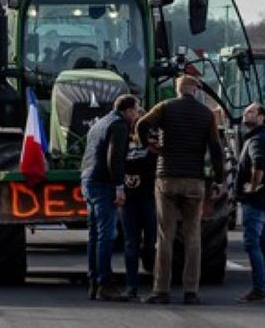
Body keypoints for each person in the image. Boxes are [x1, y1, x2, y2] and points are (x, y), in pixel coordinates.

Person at [134, 74, 225, 304]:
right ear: (195, 90)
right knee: (193, 236)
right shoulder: (206, 114)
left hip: (167, 177)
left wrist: (150, 145)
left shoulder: (165, 107)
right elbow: (215, 148)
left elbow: (142, 124)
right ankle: (191, 291)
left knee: (165, 236)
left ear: (178, 89)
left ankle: (161, 290)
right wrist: (219, 179)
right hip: (194, 180)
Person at [80, 94, 140, 301]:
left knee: (94, 234)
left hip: (88, 179)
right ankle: (105, 283)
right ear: (129, 110)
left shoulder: (100, 123)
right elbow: (114, 158)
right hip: (103, 183)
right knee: (107, 234)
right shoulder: (119, 125)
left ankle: (93, 281)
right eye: (137, 110)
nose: (138, 115)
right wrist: (119, 187)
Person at [236, 102, 265, 303]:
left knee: (252, 244)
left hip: (256, 201)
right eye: (245, 112)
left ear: (262, 117)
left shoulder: (255, 140)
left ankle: (259, 289)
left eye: (251, 112)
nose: (246, 114)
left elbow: (258, 163)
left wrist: (253, 187)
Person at [120, 121, 159, 301]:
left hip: (146, 199)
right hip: (134, 201)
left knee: (146, 244)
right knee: (133, 244)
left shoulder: (152, 151)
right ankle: (132, 285)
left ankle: (144, 281)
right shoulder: (126, 146)